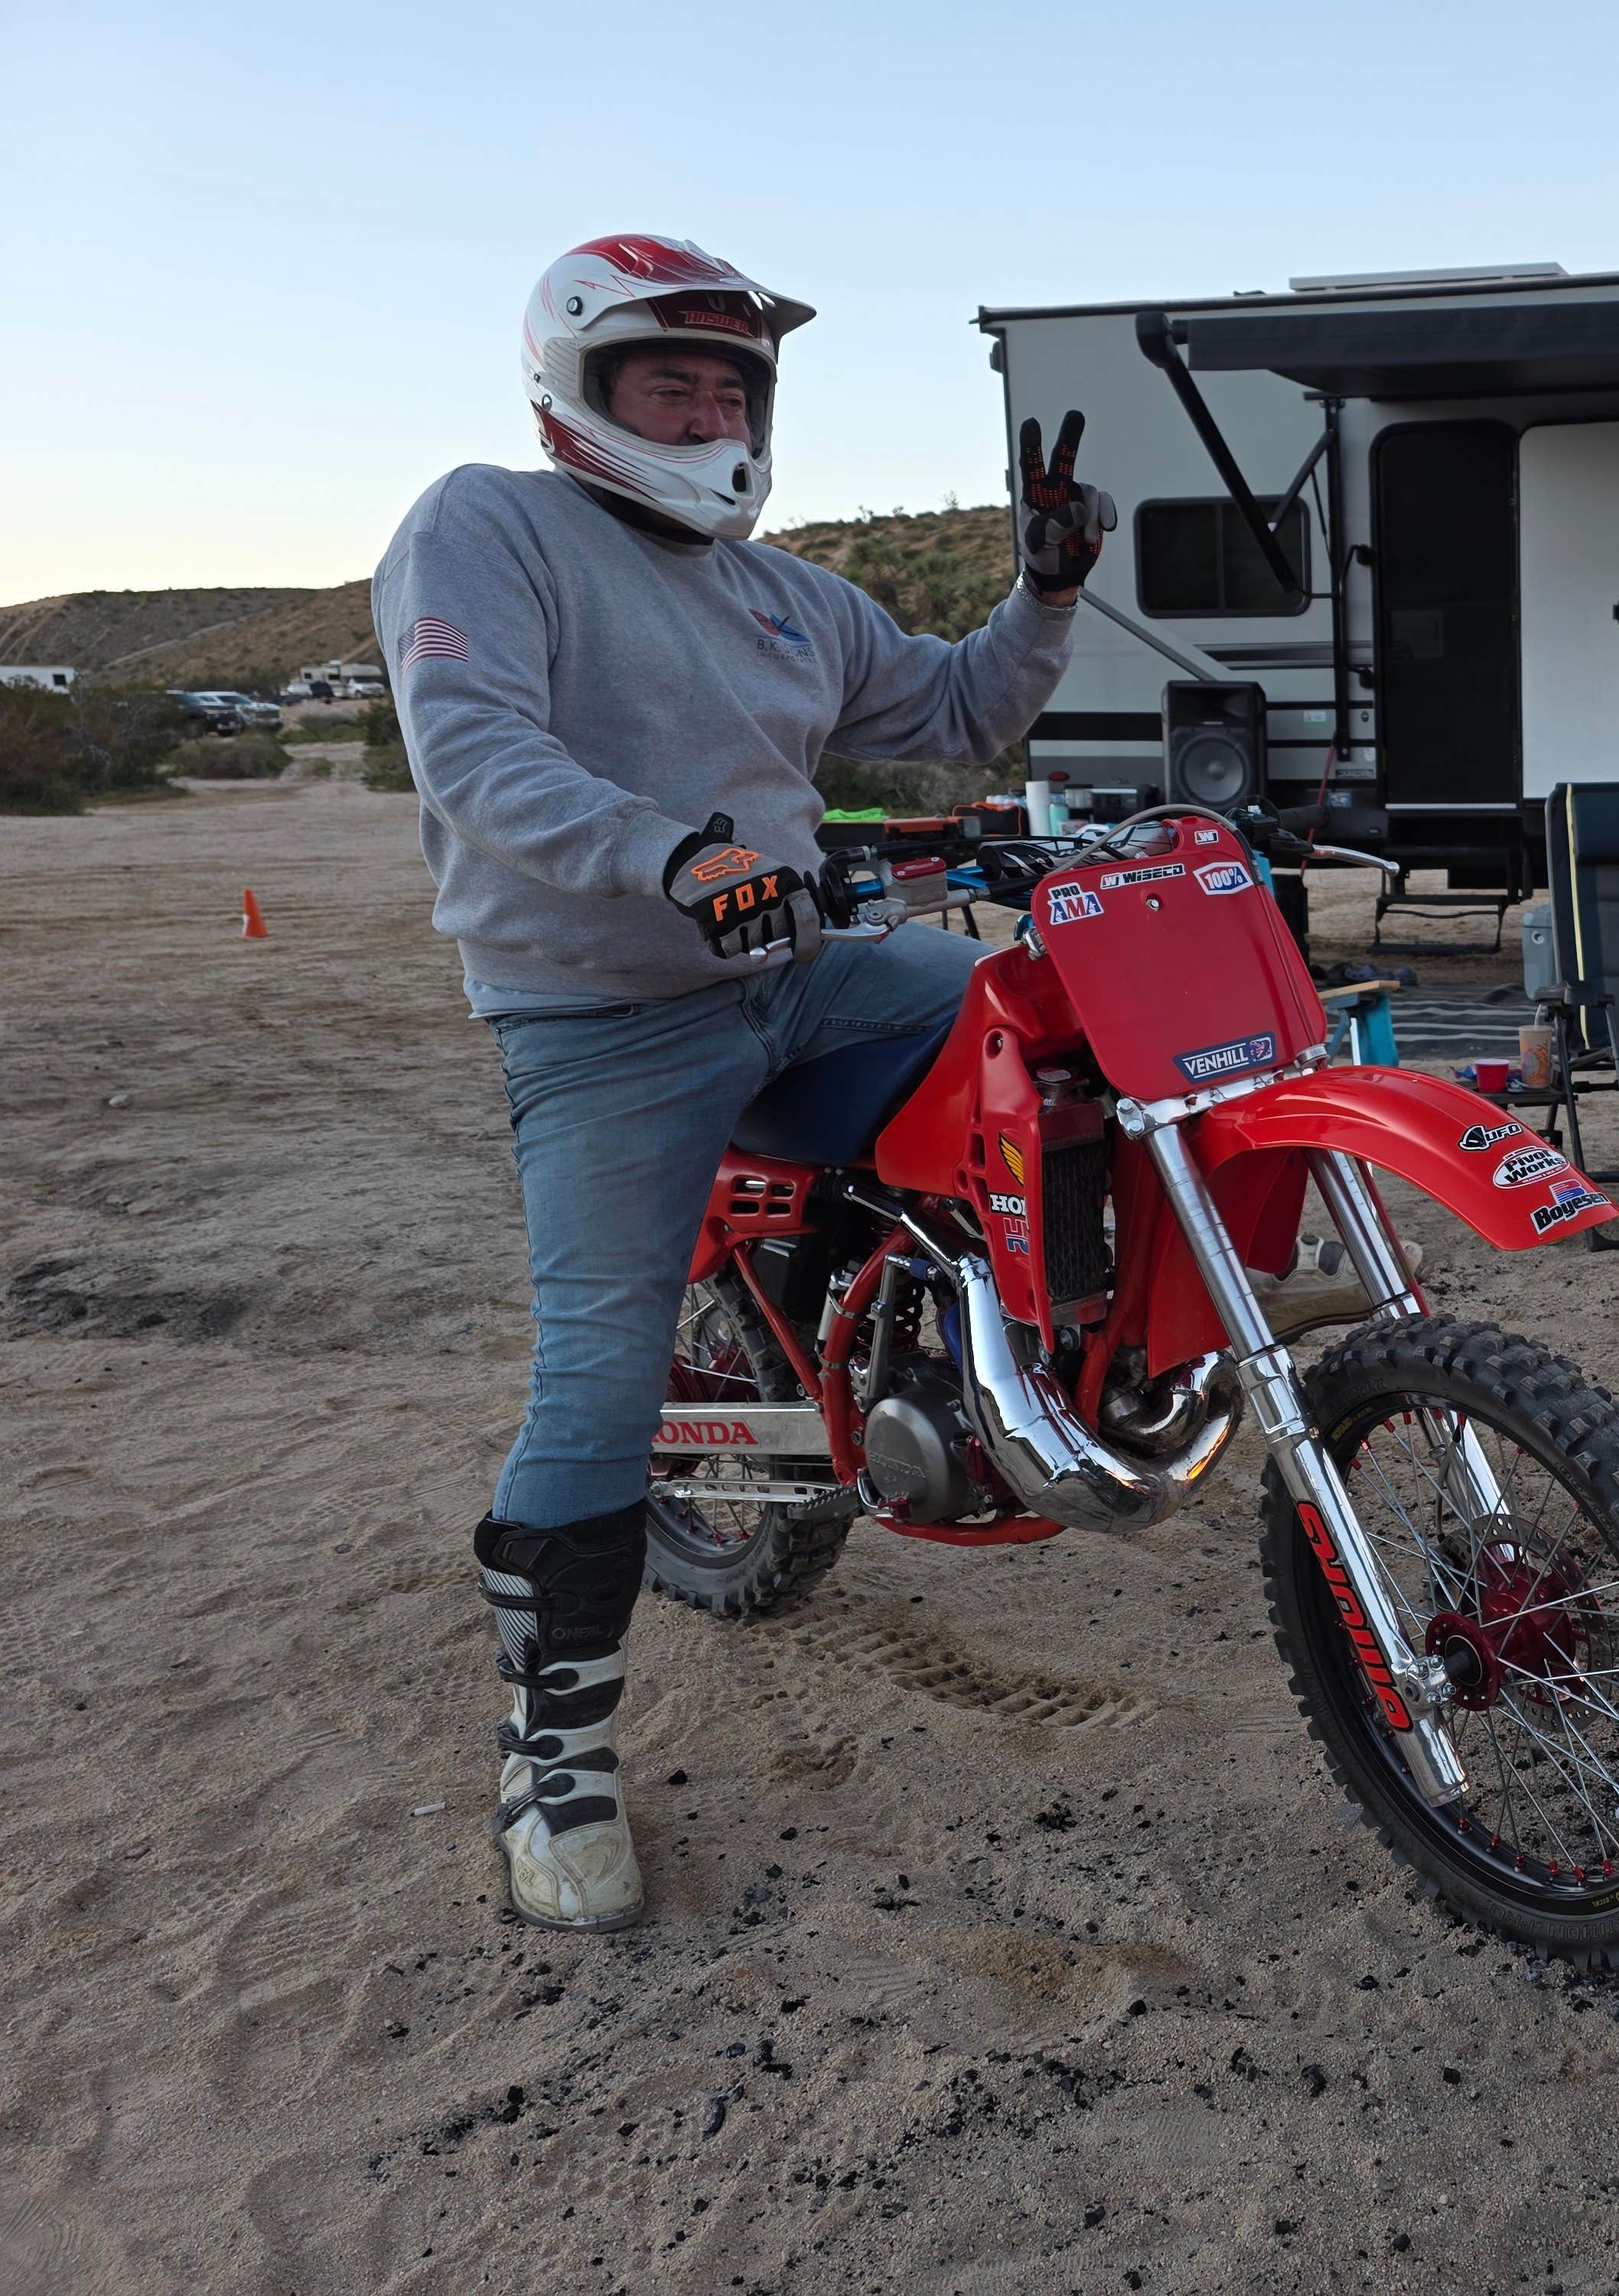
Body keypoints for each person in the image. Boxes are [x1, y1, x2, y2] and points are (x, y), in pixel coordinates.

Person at [371, 235, 1116, 1932]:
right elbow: (478, 751)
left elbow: (950, 712)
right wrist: (671, 856)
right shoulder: (486, 525)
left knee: (1048, 1017)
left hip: (802, 978)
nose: (709, 412)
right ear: (582, 388)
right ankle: (551, 1758)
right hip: (603, 1015)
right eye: (671, 383)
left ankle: (964, 1349)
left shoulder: (778, 589)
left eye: (731, 386)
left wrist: (1044, 592)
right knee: (596, 1387)